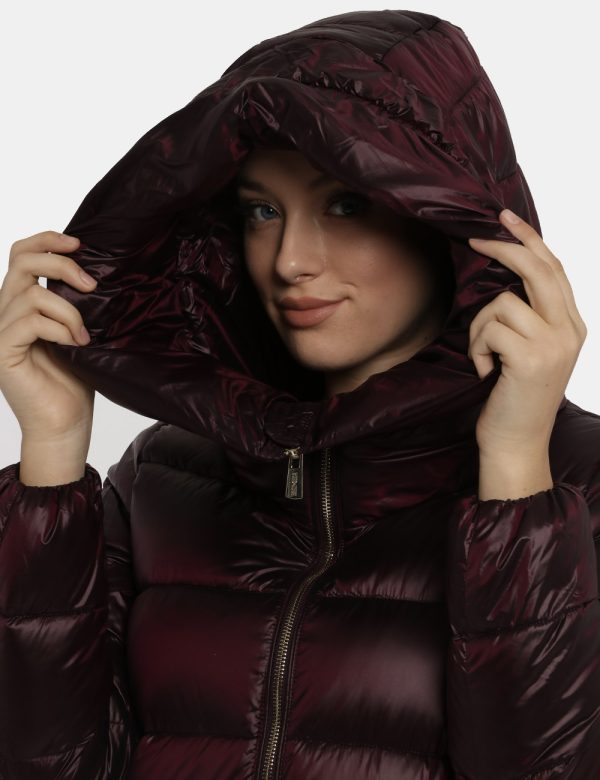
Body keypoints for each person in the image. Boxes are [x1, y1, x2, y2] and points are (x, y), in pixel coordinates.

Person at [0, 9, 599, 780]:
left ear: (446, 220)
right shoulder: (159, 478)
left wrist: (515, 479)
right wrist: (51, 452)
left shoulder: (577, 486)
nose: (290, 261)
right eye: (261, 210)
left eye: (345, 205)